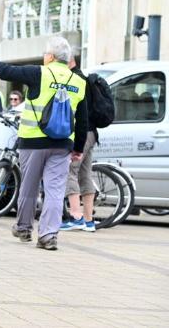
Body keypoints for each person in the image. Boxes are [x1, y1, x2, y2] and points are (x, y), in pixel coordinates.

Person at [0, 36, 87, 251]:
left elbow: (6, 70)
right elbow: (83, 119)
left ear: (50, 56)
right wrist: (78, 148)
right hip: (62, 144)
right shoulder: (79, 81)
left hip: (32, 141)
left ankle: (23, 228)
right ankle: (49, 235)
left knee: (29, 186)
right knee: (55, 191)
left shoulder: (39, 72)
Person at [61, 56, 98, 232]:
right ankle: (89, 221)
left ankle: (76, 216)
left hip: (82, 132)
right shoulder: (87, 79)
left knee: (71, 171)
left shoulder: (74, 80)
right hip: (93, 133)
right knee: (85, 174)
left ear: (70, 61)